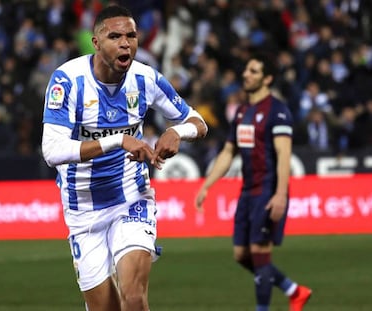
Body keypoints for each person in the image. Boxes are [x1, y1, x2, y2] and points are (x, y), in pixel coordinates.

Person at [41, 5, 207, 311]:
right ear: (96, 42)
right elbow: (52, 151)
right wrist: (118, 140)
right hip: (83, 209)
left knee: (133, 298)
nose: (125, 43)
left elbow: (198, 122)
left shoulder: (146, 78)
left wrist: (177, 133)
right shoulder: (68, 80)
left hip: (131, 197)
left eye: (131, 35)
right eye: (115, 36)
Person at [195, 53, 311, 311]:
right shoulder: (242, 111)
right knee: (241, 255)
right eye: (247, 70)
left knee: (260, 253)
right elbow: (228, 152)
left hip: (268, 191)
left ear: (267, 78)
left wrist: (280, 194)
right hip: (247, 192)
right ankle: (295, 290)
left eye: (254, 71)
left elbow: (284, 155)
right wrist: (207, 185)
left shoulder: (278, 112)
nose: (246, 75)